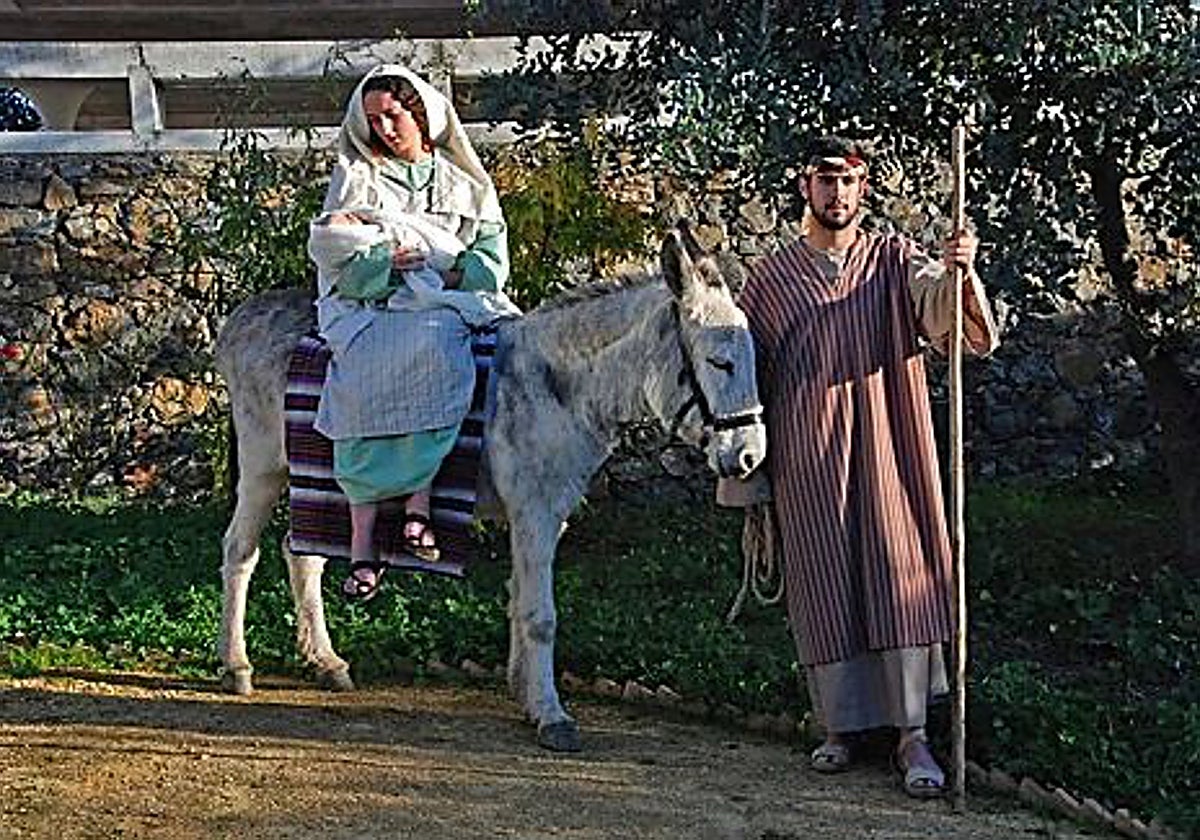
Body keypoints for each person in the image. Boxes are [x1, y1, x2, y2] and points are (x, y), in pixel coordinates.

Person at [719, 136, 999, 798]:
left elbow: (944, 315)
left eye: (848, 182)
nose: (836, 194)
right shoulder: (772, 277)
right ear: (804, 187)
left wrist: (960, 271)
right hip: (807, 455)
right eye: (824, 181)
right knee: (825, 581)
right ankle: (838, 728)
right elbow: (743, 378)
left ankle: (913, 737)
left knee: (901, 570)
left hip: (890, 444)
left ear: (863, 188)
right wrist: (745, 475)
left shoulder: (894, 260)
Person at [308, 65, 519, 602]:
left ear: (421, 114)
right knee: (359, 367)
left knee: (434, 344)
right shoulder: (358, 179)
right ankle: (361, 544)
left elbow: (490, 265)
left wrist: (443, 270)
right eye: (374, 120)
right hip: (372, 302)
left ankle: (418, 511)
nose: (385, 129)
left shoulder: (465, 185)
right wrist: (384, 259)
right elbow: (337, 263)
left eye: (394, 116)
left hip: (441, 299)